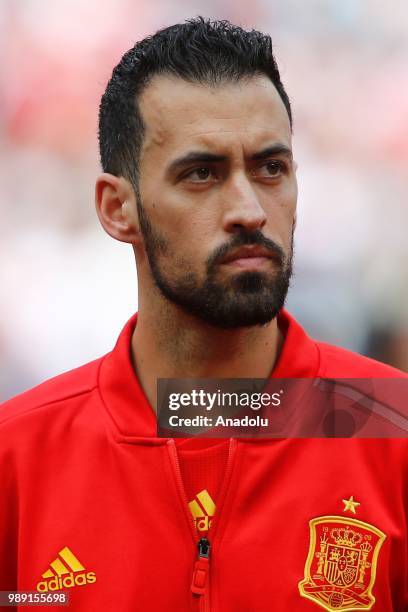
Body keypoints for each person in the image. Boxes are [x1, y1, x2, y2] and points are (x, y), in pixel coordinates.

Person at [0, 17, 407, 611]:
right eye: (202, 174)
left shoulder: (392, 430)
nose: (249, 210)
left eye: (271, 168)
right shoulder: (17, 457)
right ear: (118, 209)